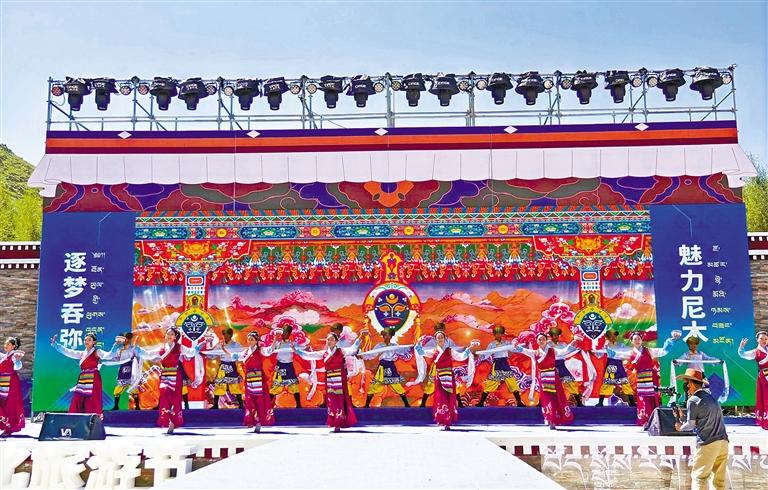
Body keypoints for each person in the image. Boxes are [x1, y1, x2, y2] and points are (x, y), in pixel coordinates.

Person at [294, 330, 368, 432]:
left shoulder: (341, 351)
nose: (329, 341)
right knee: (331, 401)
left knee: (340, 400)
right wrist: (297, 350)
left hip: (339, 379)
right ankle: (334, 421)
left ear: (336, 341)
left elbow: (353, 349)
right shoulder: (324, 353)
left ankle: (339, 422)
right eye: (328, 340)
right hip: (329, 380)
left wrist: (360, 336)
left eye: (332, 339)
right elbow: (309, 355)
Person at [606, 330, 681, 425]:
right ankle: (644, 420)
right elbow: (617, 355)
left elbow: (663, 351)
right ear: (631, 341)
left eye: (638, 339)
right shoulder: (630, 352)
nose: (637, 341)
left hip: (651, 377)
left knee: (652, 398)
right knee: (642, 399)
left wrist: (671, 340)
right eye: (635, 339)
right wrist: (607, 349)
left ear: (641, 340)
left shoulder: (649, 350)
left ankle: (654, 420)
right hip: (640, 378)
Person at [137, 327, 203, 434]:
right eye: (168, 333)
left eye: (172, 334)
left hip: (176, 374)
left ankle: (173, 420)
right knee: (164, 391)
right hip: (165, 373)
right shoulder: (162, 348)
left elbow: (189, 352)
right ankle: (167, 418)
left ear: (175, 337)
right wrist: (140, 351)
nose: (169, 336)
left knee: (175, 397)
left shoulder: (179, 347)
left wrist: (196, 349)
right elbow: (149, 354)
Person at [674, 368, 729, 490]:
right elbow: (704, 419)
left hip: (708, 443)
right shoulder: (712, 398)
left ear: (691, 384)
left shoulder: (693, 400)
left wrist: (680, 427)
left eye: (687, 384)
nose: (686, 388)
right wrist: (683, 418)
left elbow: (690, 425)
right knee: (719, 482)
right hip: (723, 442)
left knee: (700, 478)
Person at [409, 331, 475, 430]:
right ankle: (442, 419)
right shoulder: (433, 351)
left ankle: (448, 420)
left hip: (449, 376)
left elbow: (461, 357)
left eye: (441, 337)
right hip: (439, 376)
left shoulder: (450, 350)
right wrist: (418, 343)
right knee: (441, 397)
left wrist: (469, 348)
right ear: (435, 340)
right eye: (438, 337)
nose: (440, 339)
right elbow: (421, 352)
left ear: (445, 339)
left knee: (449, 397)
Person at [513, 332, 576, 430]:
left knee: (557, 398)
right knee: (547, 399)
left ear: (546, 340)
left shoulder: (552, 351)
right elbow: (523, 350)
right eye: (539, 339)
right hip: (543, 378)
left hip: (554, 377)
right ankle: (550, 419)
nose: (541, 341)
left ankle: (557, 418)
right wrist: (516, 345)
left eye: (543, 339)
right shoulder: (535, 353)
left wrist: (573, 342)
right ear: (537, 341)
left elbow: (564, 351)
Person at [51, 332, 115, 416]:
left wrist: (115, 346)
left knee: (92, 399)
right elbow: (69, 352)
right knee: (78, 397)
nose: (86, 341)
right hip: (83, 378)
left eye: (89, 340)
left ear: (94, 342)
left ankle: (92, 418)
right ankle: (75, 418)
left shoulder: (97, 352)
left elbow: (109, 355)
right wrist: (56, 345)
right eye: (85, 340)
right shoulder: (82, 354)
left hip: (93, 377)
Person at [226, 331, 275, 433]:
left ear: (256, 341)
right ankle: (251, 420)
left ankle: (259, 421)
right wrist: (223, 349)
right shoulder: (245, 352)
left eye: (252, 339)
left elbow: (270, 350)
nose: (249, 341)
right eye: (248, 339)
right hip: (249, 378)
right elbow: (234, 356)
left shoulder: (261, 350)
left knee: (260, 400)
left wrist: (275, 338)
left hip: (258, 377)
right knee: (250, 400)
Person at [419, 322, 468, 408]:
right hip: (436, 367)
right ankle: (423, 403)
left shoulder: (448, 341)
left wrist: (466, 350)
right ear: (436, 331)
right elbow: (425, 350)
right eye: (438, 330)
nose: (440, 332)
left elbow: (456, 350)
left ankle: (460, 403)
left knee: (452, 384)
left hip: (447, 367)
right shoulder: (433, 341)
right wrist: (418, 348)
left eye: (441, 330)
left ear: (444, 330)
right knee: (431, 385)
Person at [361, 328, 412, 408]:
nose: (387, 337)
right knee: (375, 386)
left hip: (390, 366)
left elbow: (402, 352)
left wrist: (411, 349)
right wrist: (363, 356)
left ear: (391, 336)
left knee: (396, 385)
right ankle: (367, 405)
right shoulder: (379, 346)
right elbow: (372, 354)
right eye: (385, 335)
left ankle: (406, 404)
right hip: (382, 367)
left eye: (389, 335)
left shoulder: (394, 346)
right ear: (383, 336)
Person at [476, 325, 524, 407]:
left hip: (505, 364)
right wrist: (480, 355)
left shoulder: (507, 343)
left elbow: (514, 349)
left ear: (502, 334)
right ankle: (481, 403)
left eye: (500, 333)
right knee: (491, 383)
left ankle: (519, 402)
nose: (498, 335)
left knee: (512, 382)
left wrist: (517, 347)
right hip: (497, 364)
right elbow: (487, 354)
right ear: (494, 334)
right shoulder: (492, 344)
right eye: (496, 333)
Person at [674, 336, 721, 404]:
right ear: (689, 345)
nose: (693, 345)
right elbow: (680, 360)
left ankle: (706, 402)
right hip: (691, 375)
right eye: (691, 344)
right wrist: (676, 362)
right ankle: (688, 402)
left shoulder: (701, 354)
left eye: (695, 344)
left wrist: (717, 361)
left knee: (705, 388)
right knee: (687, 387)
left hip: (701, 374)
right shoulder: (687, 354)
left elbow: (709, 359)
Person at [206, 328, 245, 409]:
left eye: (227, 334)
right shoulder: (220, 344)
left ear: (231, 335)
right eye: (224, 334)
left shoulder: (236, 345)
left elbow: (244, 353)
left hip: (231, 365)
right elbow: (213, 355)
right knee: (219, 385)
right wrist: (205, 354)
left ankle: (241, 405)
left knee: (235, 385)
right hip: (223, 366)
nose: (225, 336)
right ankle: (215, 405)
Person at [595, 328, 635, 407]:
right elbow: (598, 355)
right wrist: (603, 346)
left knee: (625, 383)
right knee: (607, 384)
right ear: (608, 337)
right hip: (610, 365)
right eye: (611, 335)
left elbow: (628, 352)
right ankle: (600, 403)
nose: (614, 337)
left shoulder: (621, 345)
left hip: (619, 365)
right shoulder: (605, 345)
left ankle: (632, 402)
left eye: (615, 335)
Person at [737, 330, 768, 430]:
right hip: (764, 376)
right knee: (766, 398)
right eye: (761, 338)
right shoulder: (756, 352)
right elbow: (742, 354)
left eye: (766, 339)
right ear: (757, 340)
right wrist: (741, 347)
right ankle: (766, 421)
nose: (764, 340)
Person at [269, 324, 304, 408]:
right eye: (283, 332)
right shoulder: (278, 343)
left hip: (289, 366)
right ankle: (267, 405)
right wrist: (275, 338)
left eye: (286, 332)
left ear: (289, 333)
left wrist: (303, 348)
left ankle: (299, 406)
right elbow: (271, 350)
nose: (284, 334)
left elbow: (301, 350)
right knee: (276, 386)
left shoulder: (292, 343)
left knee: (293, 386)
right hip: (280, 366)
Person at [548, 327, 583, 406]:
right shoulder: (547, 345)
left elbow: (569, 351)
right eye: (554, 335)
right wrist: (573, 342)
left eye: (557, 335)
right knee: (548, 384)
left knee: (570, 381)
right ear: (551, 336)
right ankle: (543, 403)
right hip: (550, 365)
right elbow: (562, 352)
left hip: (561, 365)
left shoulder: (563, 344)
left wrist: (576, 346)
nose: (556, 337)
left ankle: (579, 401)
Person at [108, 332, 142, 410]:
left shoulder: (133, 349)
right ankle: (116, 406)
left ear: (129, 339)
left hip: (132, 370)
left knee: (134, 389)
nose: (125, 340)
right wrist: (108, 361)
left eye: (126, 338)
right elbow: (115, 359)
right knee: (117, 389)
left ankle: (137, 407)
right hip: (122, 370)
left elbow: (138, 358)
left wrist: (137, 369)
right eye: (123, 339)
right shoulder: (119, 350)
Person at [0, 337, 25, 436]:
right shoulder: (5, 356)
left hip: (11, 383)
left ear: (14, 346)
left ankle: (8, 427)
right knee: (3, 404)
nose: (6, 346)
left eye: (8, 344)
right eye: (5, 344)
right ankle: (6, 424)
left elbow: (17, 366)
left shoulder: (14, 355)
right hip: (3, 382)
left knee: (10, 405)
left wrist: (18, 361)